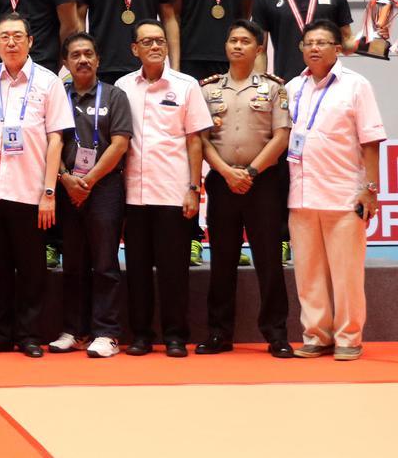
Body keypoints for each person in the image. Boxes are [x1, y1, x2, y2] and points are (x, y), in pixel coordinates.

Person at [167, 0, 262, 264]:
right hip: (192, 62)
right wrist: (176, 65)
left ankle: (235, 238)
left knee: (234, 147)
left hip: (233, 64)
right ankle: (190, 235)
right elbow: (173, 12)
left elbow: (245, 12)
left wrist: (252, 65)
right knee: (191, 149)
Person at [0, 0, 80, 270]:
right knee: (5, 160)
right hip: (4, 77)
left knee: (47, 156)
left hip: (43, 75)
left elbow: (69, 24)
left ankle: (51, 241)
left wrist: (61, 70)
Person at [285, 20, 385, 361]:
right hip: (300, 195)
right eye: (308, 42)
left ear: (337, 49)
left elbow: (370, 141)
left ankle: (348, 337)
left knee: (346, 275)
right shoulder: (291, 88)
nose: (314, 48)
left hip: (344, 195)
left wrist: (369, 189)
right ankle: (316, 334)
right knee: (308, 274)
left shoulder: (356, 86)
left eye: (322, 42)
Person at [0, 13, 72, 358]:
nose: (11, 43)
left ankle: (28, 334)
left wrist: (49, 192)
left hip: (32, 191)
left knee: (31, 268)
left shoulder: (49, 82)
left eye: (18, 36)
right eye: (4, 37)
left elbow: (57, 138)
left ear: (31, 42)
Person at [196, 20, 292, 359]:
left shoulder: (274, 88)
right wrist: (225, 171)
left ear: (259, 49)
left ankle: (276, 334)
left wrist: (250, 171)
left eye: (245, 41)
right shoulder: (208, 90)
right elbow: (201, 140)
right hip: (222, 184)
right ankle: (218, 333)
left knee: (268, 260)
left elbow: (281, 137)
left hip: (262, 182)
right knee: (221, 260)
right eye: (233, 40)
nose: (237, 46)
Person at [116, 20, 212, 358]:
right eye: (147, 41)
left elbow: (195, 140)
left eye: (160, 41)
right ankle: (141, 335)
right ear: (134, 49)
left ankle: (175, 335)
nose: (155, 46)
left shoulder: (186, 86)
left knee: (174, 269)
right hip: (134, 192)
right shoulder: (123, 85)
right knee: (138, 269)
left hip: (174, 191)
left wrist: (193, 188)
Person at [51, 32, 132, 359]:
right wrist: (67, 179)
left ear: (98, 60)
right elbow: (50, 140)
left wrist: (89, 180)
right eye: (75, 55)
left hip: (104, 188)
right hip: (67, 188)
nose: (82, 60)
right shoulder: (58, 96)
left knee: (104, 263)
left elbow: (120, 143)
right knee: (72, 263)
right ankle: (74, 329)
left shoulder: (115, 96)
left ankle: (107, 332)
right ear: (65, 63)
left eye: (88, 54)